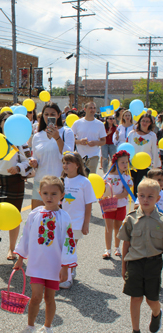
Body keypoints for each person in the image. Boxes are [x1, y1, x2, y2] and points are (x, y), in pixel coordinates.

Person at [14, 175, 77, 333]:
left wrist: (65, 267)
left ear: (62, 195)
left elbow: (68, 242)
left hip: (54, 265)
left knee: (50, 298)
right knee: (35, 296)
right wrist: (21, 258)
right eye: (46, 193)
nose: (49, 197)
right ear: (40, 193)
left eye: (54, 194)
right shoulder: (34, 214)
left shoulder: (64, 217)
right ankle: (30, 325)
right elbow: (26, 237)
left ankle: (47, 326)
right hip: (37, 263)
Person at [117, 178, 163, 333]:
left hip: (153, 264)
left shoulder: (162, 221)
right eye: (142, 195)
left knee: (152, 300)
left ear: (158, 198)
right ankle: (135, 330)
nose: (145, 199)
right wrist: (123, 267)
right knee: (135, 297)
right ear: (137, 196)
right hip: (135, 263)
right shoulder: (131, 218)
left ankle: (157, 313)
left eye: (150, 196)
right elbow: (126, 244)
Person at [0, 111, 32, 260]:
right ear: (0, 123)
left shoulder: (20, 142)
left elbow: (28, 162)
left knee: (14, 215)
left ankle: (12, 249)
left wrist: (19, 167)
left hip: (14, 181)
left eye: (10, 120)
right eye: (4, 120)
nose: (7, 123)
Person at [60, 152, 96, 288]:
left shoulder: (84, 182)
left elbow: (88, 204)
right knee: (62, 248)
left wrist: (86, 223)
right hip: (61, 221)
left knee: (69, 248)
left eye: (68, 163)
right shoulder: (62, 180)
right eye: (64, 162)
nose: (65, 165)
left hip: (76, 222)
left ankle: (68, 277)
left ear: (77, 165)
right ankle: (65, 271)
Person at [30, 102, 74, 209]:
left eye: (53, 114)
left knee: (57, 220)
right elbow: (35, 156)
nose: (49, 117)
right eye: (46, 114)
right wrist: (33, 162)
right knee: (38, 217)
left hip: (59, 182)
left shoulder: (67, 132)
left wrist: (57, 138)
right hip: (40, 182)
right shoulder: (37, 136)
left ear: (59, 115)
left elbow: (69, 156)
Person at [102, 150, 133, 259]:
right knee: (108, 227)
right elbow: (102, 190)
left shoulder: (127, 177)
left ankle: (117, 248)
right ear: (115, 163)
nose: (125, 165)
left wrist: (114, 197)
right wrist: (104, 196)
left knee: (118, 227)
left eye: (126, 162)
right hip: (108, 206)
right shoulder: (107, 176)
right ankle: (107, 249)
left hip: (120, 206)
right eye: (122, 162)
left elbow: (126, 192)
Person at [127, 113, 161, 196]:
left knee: (140, 187)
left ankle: (139, 205)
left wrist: (156, 166)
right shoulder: (132, 134)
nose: (145, 123)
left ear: (150, 123)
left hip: (145, 165)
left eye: (147, 121)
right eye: (143, 121)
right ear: (139, 121)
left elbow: (155, 151)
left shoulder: (152, 135)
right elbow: (127, 148)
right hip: (132, 165)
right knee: (133, 187)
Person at [71, 102, 107, 174]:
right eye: (90, 108)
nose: (92, 110)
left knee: (90, 176)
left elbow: (103, 141)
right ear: (85, 109)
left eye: (94, 108)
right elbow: (71, 139)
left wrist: (96, 142)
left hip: (94, 155)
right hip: (80, 155)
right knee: (80, 176)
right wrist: (80, 141)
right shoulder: (77, 123)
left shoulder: (100, 124)